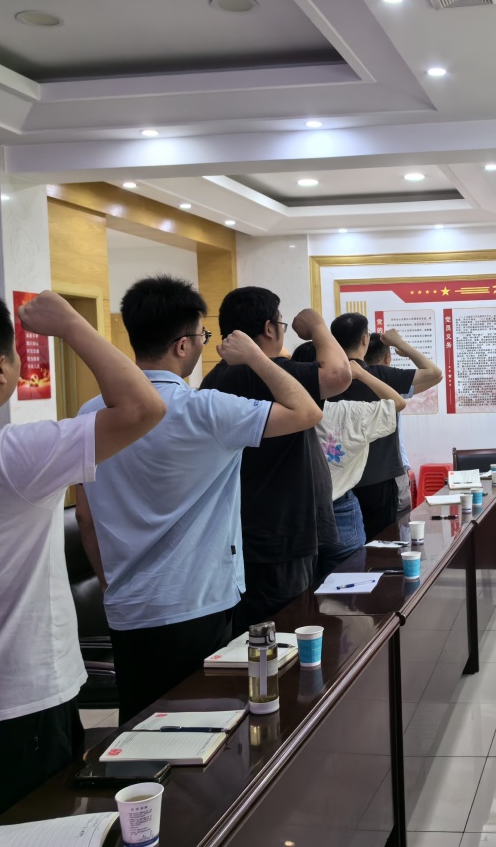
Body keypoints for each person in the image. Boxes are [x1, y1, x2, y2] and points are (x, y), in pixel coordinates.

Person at [0, 289, 164, 847]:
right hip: (19, 707)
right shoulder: (11, 457)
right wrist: (70, 323)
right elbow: (143, 407)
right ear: (2, 368)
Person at [76, 276, 321, 722]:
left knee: (139, 728)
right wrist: (256, 357)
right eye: (202, 336)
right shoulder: (205, 409)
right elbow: (306, 411)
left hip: (128, 607)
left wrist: (112, 586)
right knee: (204, 726)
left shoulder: (90, 414)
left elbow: (87, 518)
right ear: (184, 345)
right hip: (197, 601)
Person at [199, 287, 350, 632]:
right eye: (280, 323)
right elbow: (339, 375)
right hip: (278, 536)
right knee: (285, 632)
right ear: (269, 328)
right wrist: (317, 326)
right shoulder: (265, 373)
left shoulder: (214, 379)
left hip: (257, 531)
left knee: (273, 631)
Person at [328, 315, 441, 539]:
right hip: (379, 478)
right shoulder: (380, 376)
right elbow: (434, 373)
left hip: (338, 481)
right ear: (364, 339)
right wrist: (400, 343)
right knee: (384, 543)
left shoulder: (326, 378)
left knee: (346, 548)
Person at [305, 349, 406, 576]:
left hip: (296, 511)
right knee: (346, 585)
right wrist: (361, 374)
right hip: (340, 506)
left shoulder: (276, 412)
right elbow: (397, 402)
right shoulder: (343, 411)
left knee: (304, 588)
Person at [365, 332, 414, 515]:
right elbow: (435, 374)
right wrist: (402, 344)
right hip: (392, 470)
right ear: (387, 358)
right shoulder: (393, 384)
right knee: (398, 525)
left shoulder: (348, 383)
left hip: (361, 473)